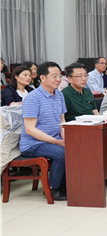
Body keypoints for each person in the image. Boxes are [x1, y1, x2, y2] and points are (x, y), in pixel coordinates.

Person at [19, 62, 68, 201]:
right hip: (33, 144)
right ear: (42, 77)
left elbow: (62, 121)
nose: (58, 79)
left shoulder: (59, 95)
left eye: (59, 76)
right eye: (54, 76)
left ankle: (68, 184)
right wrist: (57, 142)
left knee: (74, 147)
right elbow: (30, 129)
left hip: (53, 140)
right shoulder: (32, 98)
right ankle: (53, 188)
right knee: (61, 153)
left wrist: (65, 139)